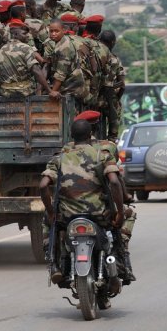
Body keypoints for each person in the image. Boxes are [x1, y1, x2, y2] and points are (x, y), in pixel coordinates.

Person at [39, 119, 124, 284]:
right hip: (99, 214)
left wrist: (51, 213)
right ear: (90, 135)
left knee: (48, 224)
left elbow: (43, 185)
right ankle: (120, 265)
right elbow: (114, 182)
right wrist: (120, 213)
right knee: (123, 223)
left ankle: (54, 265)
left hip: (67, 216)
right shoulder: (102, 155)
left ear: (71, 136)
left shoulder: (59, 158)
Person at [0, 20, 58, 98]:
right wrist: (50, 90)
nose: (28, 35)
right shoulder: (26, 48)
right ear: (15, 34)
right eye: (24, 33)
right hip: (24, 91)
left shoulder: (1, 49)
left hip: (5, 92)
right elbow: (36, 71)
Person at [45, 18, 86, 103]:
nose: (53, 34)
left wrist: (52, 92)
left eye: (56, 31)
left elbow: (60, 74)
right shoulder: (58, 43)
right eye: (51, 31)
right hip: (67, 84)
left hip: (72, 87)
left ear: (63, 30)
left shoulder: (65, 47)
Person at [99, 29, 126, 141]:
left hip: (94, 98)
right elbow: (122, 84)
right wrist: (116, 98)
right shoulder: (114, 59)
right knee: (113, 125)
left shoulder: (95, 55)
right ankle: (112, 139)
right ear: (113, 42)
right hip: (110, 98)